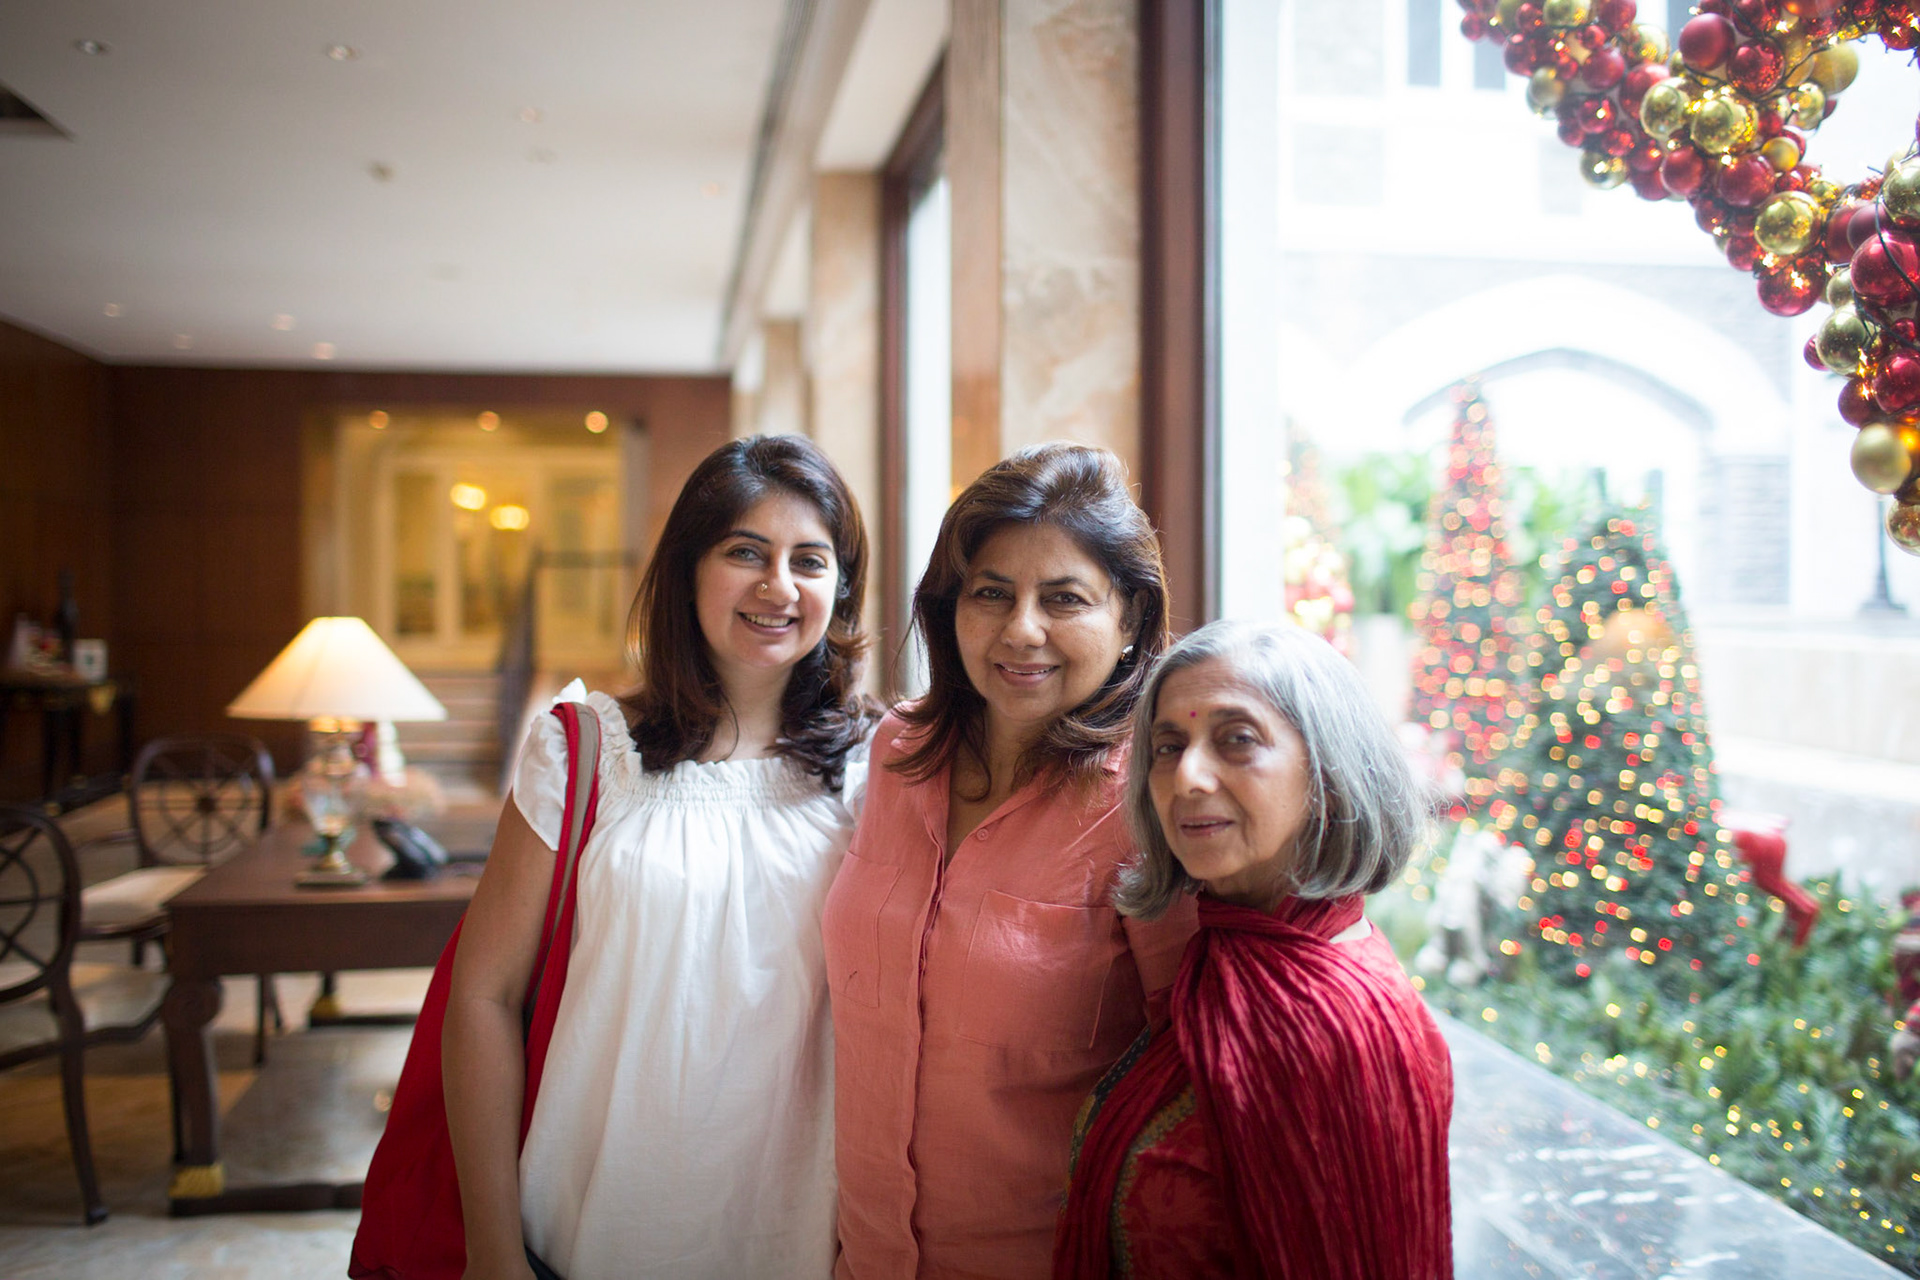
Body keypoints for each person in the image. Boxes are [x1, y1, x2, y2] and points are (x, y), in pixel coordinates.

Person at [443, 434, 879, 1280]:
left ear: (842, 587)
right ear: (687, 570)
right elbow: (483, 995)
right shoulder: (582, 752)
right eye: (744, 552)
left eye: (810, 561)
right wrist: (489, 1246)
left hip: (797, 1227)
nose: (778, 586)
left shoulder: (881, 769)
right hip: (592, 1216)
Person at [824, 443, 1199, 1279]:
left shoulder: (1158, 801)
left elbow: (1192, 1075)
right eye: (991, 593)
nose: (1021, 630)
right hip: (864, 1253)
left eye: (1063, 598)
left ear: (1131, 616)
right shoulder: (897, 751)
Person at [1053, 620, 1454, 1280]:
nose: (1187, 777)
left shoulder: (1344, 1030)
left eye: (1236, 740)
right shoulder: (1231, 954)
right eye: (1167, 745)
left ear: (1327, 774)